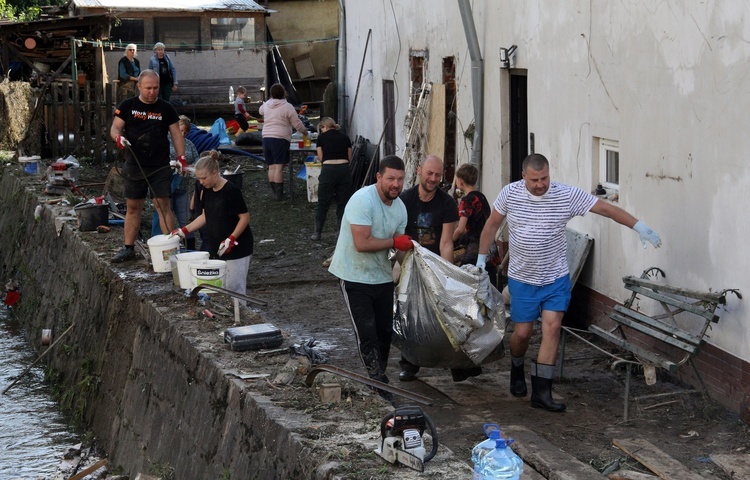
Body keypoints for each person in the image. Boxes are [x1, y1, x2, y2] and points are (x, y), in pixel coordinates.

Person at [476, 153, 662, 412]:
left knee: (552, 329)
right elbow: (491, 225)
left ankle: (542, 392)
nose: (541, 184)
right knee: (522, 333)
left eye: (544, 178)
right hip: (522, 278)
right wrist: (481, 260)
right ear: (523, 177)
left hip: (555, 278)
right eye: (534, 180)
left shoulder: (565, 195)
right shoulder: (510, 194)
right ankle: (517, 366)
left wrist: (638, 225)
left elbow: (605, 208)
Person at [328, 155, 413, 400]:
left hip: (381, 276)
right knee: (367, 332)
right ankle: (377, 380)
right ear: (379, 177)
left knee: (385, 331)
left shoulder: (400, 208)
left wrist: (410, 261)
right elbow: (362, 243)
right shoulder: (362, 200)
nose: (395, 184)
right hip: (353, 274)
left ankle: (379, 378)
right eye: (390, 179)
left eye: (399, 179)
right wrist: (395, 242)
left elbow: (398, 250)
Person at [398, 155, 483, 382]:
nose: (433, 179)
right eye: (429, 173)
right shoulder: (404, 200)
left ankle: (458, 365)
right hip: (410, 263)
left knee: (449, 316)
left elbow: (447, 242)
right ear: (419, 171)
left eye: (438, 175)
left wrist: (447, 274)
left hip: (436, 264)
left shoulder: (446, 203)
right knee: (410, 314)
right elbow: (397, 235)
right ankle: (409, 363)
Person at [110, 69, 186, 263]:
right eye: (148, 88)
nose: (152, 92)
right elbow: (115, 127)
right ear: (139, 87)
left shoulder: (166, 108)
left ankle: (171, 246)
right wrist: (118, 138)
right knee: (133, 207)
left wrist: (181, 157)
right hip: (135, 164)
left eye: (155, 88)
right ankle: (128, 247)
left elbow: (176, 133)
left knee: (162, 206)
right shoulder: (128, 106)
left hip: (160, 165)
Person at [172, 155, 253, 304]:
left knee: (234, 286)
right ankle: (230, 315)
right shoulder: (207, 189)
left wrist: (231, 238)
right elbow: (205, 216)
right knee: (223, 285)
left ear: (215, 173)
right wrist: (184, 230)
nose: (201, 182)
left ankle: (241, 316)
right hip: (219, 246)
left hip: (238, 247)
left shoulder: (231, 191)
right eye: (199, 179)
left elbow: (245, 217)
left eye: (204, 178)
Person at [151, 115, 200, 249]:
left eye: (185, 132)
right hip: (166, 185)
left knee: (184, 217)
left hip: (183, 186)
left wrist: (189, 167)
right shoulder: (164, 142)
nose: (183, 134)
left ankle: (190, 246)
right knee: (164, 214)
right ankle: (161, 242)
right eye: (180, 131)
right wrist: (171, 165)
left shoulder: (189, 145)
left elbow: (197, 161)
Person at [259, 83, 308, 200]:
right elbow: (297, 124)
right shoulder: (287, 107)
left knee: (271, 166)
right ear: (284, 93)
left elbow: (260, 111)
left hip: (266, 138)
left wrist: (267, 104)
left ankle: (274, 192)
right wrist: (305, 132)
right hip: (280, 139)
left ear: (271, 94)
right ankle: (279, 195)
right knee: (278, 167)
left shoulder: (266, 105)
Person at [310, 117, 352, 240]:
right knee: (343, 202)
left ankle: (317, 233)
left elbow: (321, 157)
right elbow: (350, 157)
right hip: (344, 169)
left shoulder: (321, 138)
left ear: (325, 127)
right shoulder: (345, 137)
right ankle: (342, 232)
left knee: (323, 202)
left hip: (328, 169)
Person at [452, 163, 491, 266]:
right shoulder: (482, 197)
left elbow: (461, 229)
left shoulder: (467, 201)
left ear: (460, 181)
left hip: (475, 247)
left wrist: (451, 240)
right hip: (489, 246)